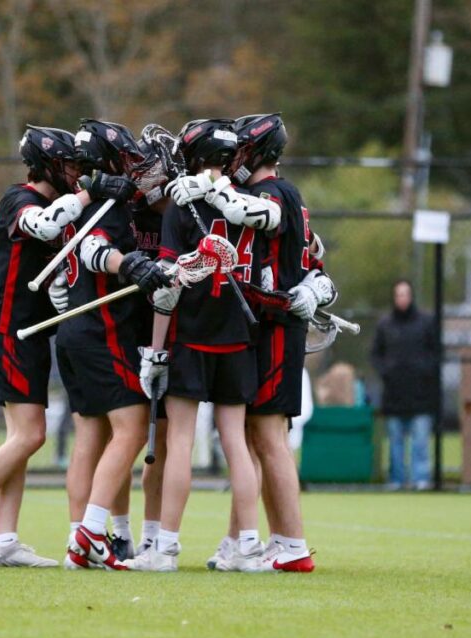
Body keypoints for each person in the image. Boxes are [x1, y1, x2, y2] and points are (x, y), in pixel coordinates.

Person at [0, 125, 134, 568]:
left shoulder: (56, 205)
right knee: (30, 435)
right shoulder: (20, 199)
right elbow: (42, 224)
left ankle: (5, 539)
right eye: (68, 165)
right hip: (9, 332)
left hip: (34, 334)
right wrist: (89, 195)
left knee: (20, 440)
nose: (75, 172)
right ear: (46, 164)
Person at [126, 118, 281, 573]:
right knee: (236, 442)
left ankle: (166, 548)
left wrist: (154, 352)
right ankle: (248, 545)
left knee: (180, 441)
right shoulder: (248, 201)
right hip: (238, 335)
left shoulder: (181, 205)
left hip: (192, 335)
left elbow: (168, 289)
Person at [206, 113, 335, 572]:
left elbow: (295, 256)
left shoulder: (273, 194)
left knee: (267, 434)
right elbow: (314, 255)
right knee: (253, 436)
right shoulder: (276, 195)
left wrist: (210, 187)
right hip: (266, 323)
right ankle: (240, 538)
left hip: (277, 324)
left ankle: (292, 543)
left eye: (239, 149)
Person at [59, 119, 172, 571]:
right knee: (131, 427)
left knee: (92, 435)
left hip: (79, 329)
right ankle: (89, 533)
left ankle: (78, 537)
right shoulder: (101, 205)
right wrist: (133, 266)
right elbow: (93, 251)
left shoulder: (91, 199)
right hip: (98, 329)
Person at [370, 279, 439, 491]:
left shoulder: (426, 323)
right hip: (394, 395)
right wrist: (387, 372)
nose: (402, 298)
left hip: (420, 395)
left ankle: (421, 479)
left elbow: (436, 353)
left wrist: (423, 371)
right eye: (398, 294)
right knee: (395, 443)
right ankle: (397, 480)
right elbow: (375, 355)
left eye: (405, 294)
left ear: (411, 296)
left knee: (420, 443)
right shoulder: (385, 325)